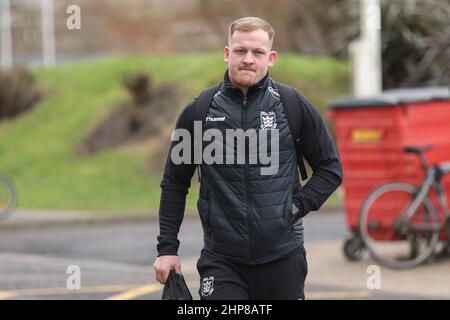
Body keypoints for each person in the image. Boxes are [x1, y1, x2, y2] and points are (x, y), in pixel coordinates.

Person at [154, 16, 343, 300]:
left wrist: (295, 207)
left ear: (272, 58)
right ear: (227, 53)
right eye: (241, 51)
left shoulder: (292, 105)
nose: (248, 59)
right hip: (222, 260)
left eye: (258, 52)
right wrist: (167, 249)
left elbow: (330, 168)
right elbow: (174, 183)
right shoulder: (200, 111)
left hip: (282, 256)